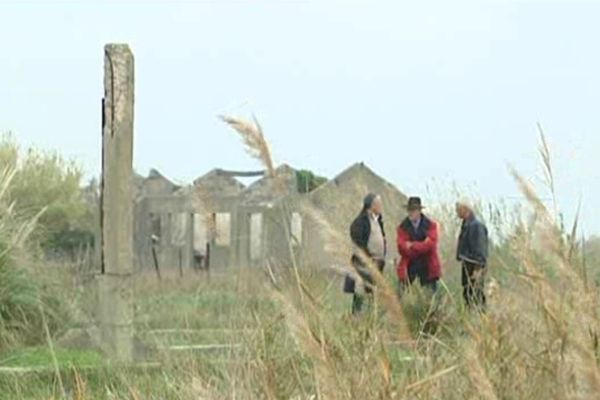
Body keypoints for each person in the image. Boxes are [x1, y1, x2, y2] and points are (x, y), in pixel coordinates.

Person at [344, 193, 386, 314]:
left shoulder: (378, 221)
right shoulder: (360, 221)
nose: (381, 206)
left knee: (373, 293)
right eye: (379, 203)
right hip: (364, 263)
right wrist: (368, 258)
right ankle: (356, 317)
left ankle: (370, 319)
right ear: (372, 205)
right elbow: (358, 243)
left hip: (377, 264)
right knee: (360, 291)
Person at [396, 197, 442, 294]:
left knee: (430, 296)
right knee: (401, 295)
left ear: (419, 211)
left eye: (413, 209)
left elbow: (430, 245)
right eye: (409, 209)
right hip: (409, 266)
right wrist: (422, 245)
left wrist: (412, 245)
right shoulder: (402, 227)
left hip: (427, 266)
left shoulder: (431, 225)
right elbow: (401, 247)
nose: (410, 212)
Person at [456, 199, 489, 310]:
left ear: (465, 210)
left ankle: (481, 320)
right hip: (467, 264)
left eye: (458, 209)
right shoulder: (467, 225)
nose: (456, 212)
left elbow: (480, 248)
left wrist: (478, 268)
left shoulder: (476, 226)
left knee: (476, 294)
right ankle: (471, 318)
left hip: (474, 266)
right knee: (468, 294)